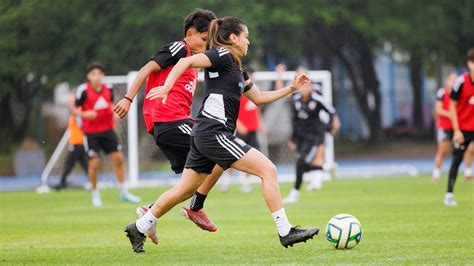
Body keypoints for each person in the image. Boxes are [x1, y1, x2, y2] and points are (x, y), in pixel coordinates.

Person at [124, 16, 318, 253]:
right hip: (213, 132)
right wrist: (167, 86)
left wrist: (291, 88)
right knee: (268, 170)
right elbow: (185, 63)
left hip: (204, 133)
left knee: (184, 190)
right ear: (233, 38)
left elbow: (258, 98)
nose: (249, 41)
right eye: (246, 36)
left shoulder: (237, 67)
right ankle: (285, 231)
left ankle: (140, 226)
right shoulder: (222, 55)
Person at [113, 9, 220, 242]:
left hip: (174, 123)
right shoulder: (179, 48)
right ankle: (196, 208)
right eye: (204, 39)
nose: (206, 44)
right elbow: (145, 70)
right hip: (168, 120)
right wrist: (128, 98)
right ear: (190, 34)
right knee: (219, 151)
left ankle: (148, 216)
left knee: (193, 182)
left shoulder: (195, 58)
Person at [75, 62, 141, 207]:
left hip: (108, 130)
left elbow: (109, 104)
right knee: (94, 164)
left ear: (103, 75)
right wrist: (86, 113)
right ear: (88, 76)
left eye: (99, 74)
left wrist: (114, 112)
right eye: (93, 74)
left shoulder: (108, 89)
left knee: (119, 159)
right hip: (91, 133)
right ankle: (95, 194)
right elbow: (75, 110)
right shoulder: (83, 91)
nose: (97, 77)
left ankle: (124, 192)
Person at [280, 68, 340, 204]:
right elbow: (294, 120)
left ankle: (295, 192)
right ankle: (325, 169)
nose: (305, 88)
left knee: (301, 161)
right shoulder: (295, 100)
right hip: (301, 137)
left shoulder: (317, 98)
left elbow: (331, 111)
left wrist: (330, 127)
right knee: (303, 162)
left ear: (311, 86)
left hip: (315, 136)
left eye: (307, 85)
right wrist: (292, 138)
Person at [219, 67, 266, 193]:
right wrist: (238, 124)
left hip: (253, 130)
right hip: (241, 130)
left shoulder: (254, 92)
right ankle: (226, 181)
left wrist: (261, 125)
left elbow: (257, 110)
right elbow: (230, 111)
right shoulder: (238, 92)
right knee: (233, 157)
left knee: (253, 157)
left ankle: (245, 182)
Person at [444, 48, 474, 207]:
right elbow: (452, 106)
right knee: (457, 160)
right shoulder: (461, 82)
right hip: (463, 128)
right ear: (469, 64)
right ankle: (449, 194)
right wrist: (456, 130)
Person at [432, 73, 473, 182]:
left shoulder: (462, 93)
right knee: (443, 151)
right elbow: (438, 110)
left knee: (469, 149)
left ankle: (468, 171)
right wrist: (450, 114)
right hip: (445, 127)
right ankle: (436, 173)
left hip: (460, 127)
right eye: (452, 80)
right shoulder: (442, 93)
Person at [53, 94, 88, 190]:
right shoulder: (74, 113)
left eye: (71, 101)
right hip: (77, 143)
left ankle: (62, 183)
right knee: (85, 165)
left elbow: (83, 126)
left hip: (78, 144)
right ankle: (93, 181)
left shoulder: (78, 113)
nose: (69, 103)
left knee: (68, 164)